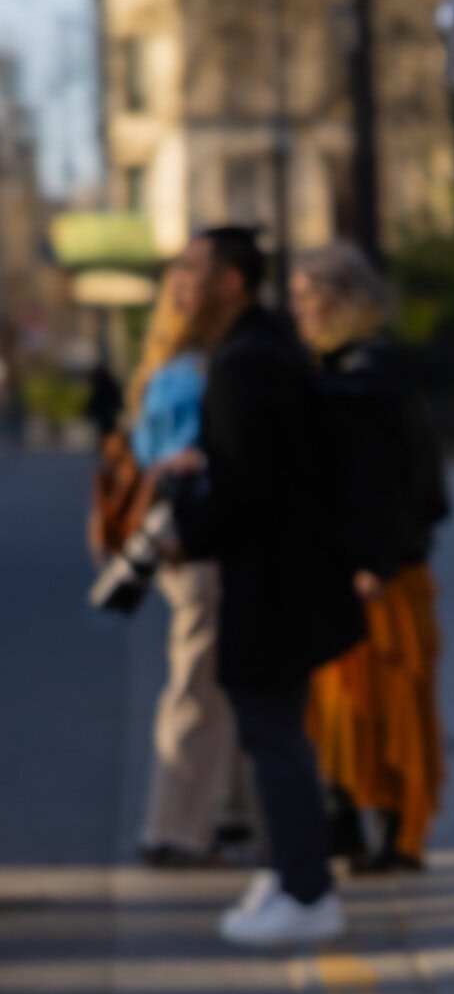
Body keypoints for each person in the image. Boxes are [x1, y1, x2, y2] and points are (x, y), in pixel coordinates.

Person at [159, 227, 362, 948]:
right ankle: (290, 876)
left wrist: (188, 523)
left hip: (273, 586)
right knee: (274, 735)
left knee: (274, 740)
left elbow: (252, 490)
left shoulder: (246, 360)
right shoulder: (257, 351)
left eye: (193, 268)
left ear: (232, 281)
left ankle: (306, 892)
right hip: (286, 580)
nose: (179, 281)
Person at [290, 242, 450, 872]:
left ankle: (390, 835)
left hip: (377, 577)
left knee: (384, 712)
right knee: (352, 713)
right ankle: (361, 829)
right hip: (371, 569)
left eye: (309, 297)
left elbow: (385, 484)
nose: (299, 310)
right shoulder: (365, 371)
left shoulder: (366, 379)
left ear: (343, 300)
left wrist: (373, 562)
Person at [124, 263, 251, 867]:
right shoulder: (191, 376)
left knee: (210, 680)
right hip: (199, 540)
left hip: (181, 540)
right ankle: (174, 827)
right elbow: (189, 461)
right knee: (198, 682)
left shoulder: (157, 374)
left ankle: (226, 814)